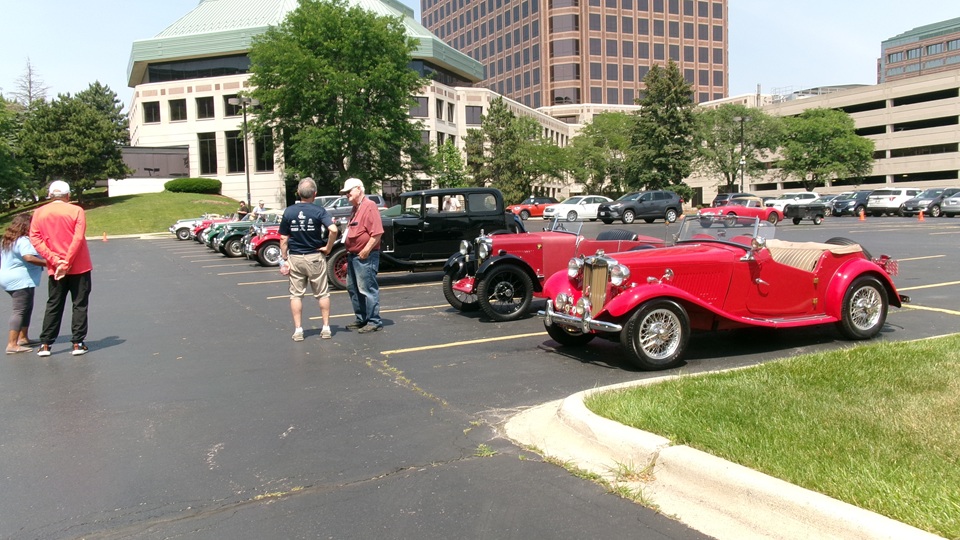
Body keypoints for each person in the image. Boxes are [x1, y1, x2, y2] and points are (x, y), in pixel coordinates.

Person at [28, 180, 93, 357]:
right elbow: (78, 238)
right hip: (79, 265)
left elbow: (35, 239)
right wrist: (66, 261)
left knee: (54, 304)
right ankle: (78, 343)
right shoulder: (76, 210)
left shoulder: (39, 212)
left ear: (50, 195)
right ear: (68, 195)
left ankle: (45, 344)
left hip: (55, 268)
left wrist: (56, 260)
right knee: (79, 304)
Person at [279, 178, 339, 341]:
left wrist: (284, 258)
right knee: (322, 293)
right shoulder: (319, 211)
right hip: (315, 256)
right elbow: (333, 229)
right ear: (315, 194)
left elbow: (283, 238)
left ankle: (298, 330)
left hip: (296, 257)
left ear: (298, 193)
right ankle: (326, 328)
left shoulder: (289, 211)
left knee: (296, 295)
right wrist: (328, 247)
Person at [341, 178, 384, 333]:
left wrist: (365, 251)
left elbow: (377, 233)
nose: (347, 194)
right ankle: (362, 318)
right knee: (353, 288)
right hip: (354, 256)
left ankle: (374, 321)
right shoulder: (356, 208)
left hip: (365, 256)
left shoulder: (369, 206)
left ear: (359, 189)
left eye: (349, 191)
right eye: (346, 192)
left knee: (367, 288)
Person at [1, 213, 47, 354]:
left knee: (27, 307)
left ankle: (23, 338)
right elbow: (28, 257)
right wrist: (48, 263)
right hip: (20, 280)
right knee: (20, 310)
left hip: (8, 277)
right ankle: (12, 344)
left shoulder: (8, 240)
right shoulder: (23, 241)